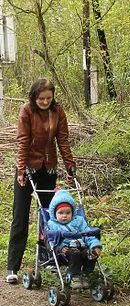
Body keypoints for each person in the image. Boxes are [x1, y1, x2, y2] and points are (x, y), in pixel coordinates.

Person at [6, 77, 76, 284]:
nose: (45, 101)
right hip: (27, 170)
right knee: (20, 216)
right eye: (41, 98)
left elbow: (63, 140)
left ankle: (48, 258)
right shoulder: (27, 111)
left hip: (48, 169)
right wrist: (20, 170)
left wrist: (70, 166)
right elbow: (23, 141)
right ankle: (12, 267)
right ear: (34, 96)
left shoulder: (58, 112)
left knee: (48, 217)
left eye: (48, 98)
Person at [47, 188, 102, 289]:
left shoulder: (79, 221)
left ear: (73, 212)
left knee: (91, 254)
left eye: (68, 213)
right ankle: (74, 276)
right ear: (54, 213)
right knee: (75, 253)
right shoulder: (52, 224)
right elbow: (51, 240)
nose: (64, 216)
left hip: (82, 246)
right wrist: (60, 247)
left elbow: (88, 234)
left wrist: (95, 245)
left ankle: (86, 274)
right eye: (61, 213)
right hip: (66, 251)